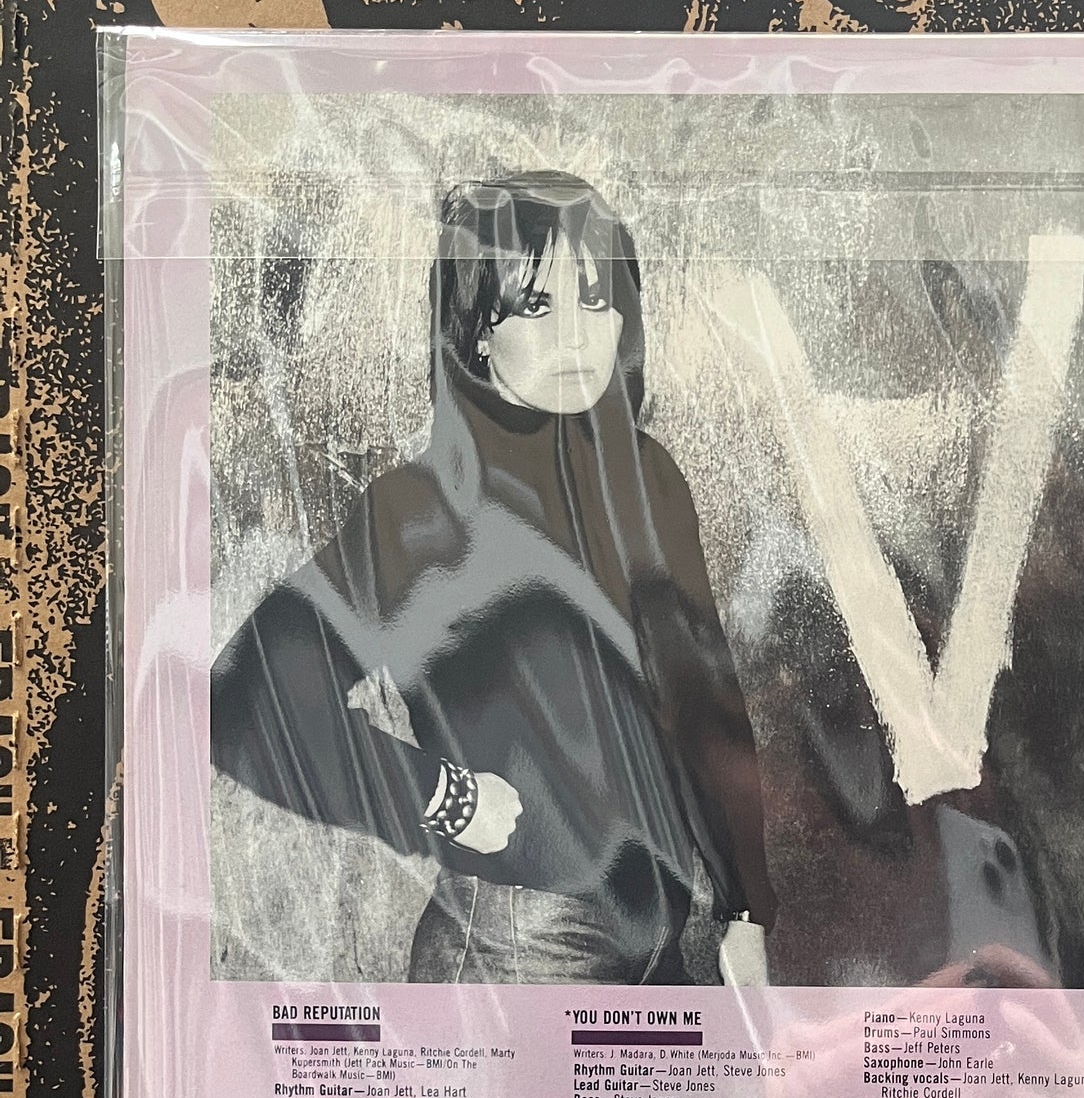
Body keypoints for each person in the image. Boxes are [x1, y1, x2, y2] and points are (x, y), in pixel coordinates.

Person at [211, 171, 774, 983]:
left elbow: (706, 703)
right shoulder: (422, 509)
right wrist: (442, 799)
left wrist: (746, 908)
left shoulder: (648, 481)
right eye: (537, 306)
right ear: (477, 329)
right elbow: (242, 702)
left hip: (663, 945)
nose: (577, 337)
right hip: (517, 955)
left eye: (596, 299)